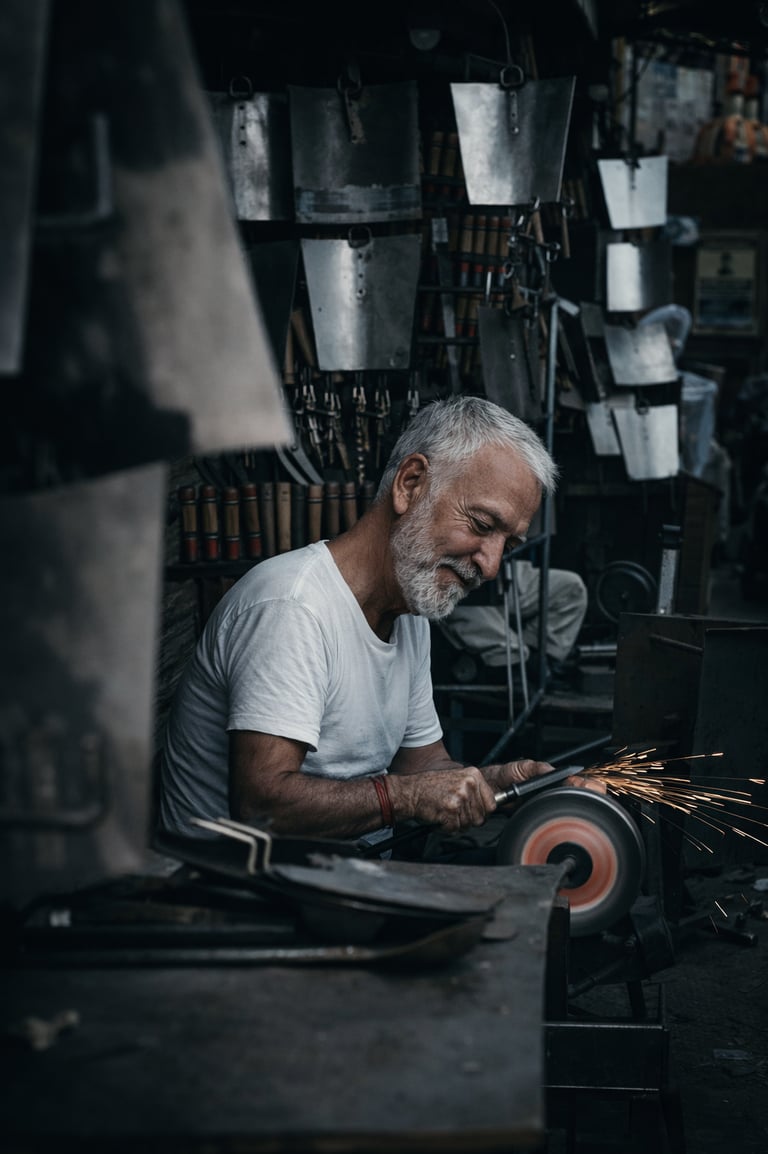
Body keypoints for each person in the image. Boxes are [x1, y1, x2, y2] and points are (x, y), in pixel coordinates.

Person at [159, 396, 591, 846]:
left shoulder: (409, 612)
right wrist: (403, 797)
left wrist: (497, 783)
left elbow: (422, 767)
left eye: (510, 543)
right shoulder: (293, 607)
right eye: (482, 525)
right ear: (411, 483)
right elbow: (261, 807)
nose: (492, 566)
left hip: (334, 886)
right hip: (234, 898)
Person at [436, 559, 588, 688]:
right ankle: (514, 669)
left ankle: (539, 659)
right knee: (510, 651)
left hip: (504, 572)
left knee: (571, 588)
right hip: (461, 583)